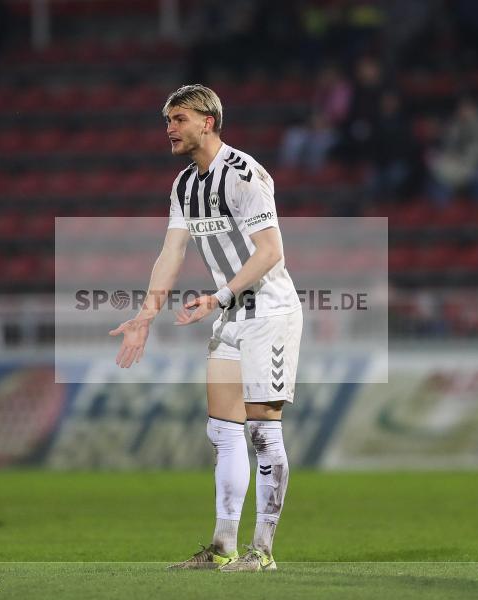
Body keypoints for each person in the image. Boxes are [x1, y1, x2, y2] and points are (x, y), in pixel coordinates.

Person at [110, 85, 302, 572]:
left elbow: (270, 251)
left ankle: (263, 551)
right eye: (167, 120)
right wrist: (146, 314)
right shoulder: (183, 185)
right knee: (222, 431)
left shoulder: (244, 175)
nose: (169, 128)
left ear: (207, 121)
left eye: (178, 118)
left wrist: (219, 296)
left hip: (269, 313)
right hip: (232, 315)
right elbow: (171, 254)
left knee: (262, 431)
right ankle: (222, 547)